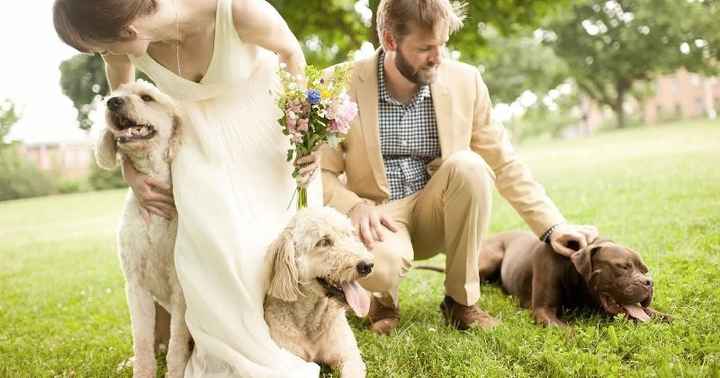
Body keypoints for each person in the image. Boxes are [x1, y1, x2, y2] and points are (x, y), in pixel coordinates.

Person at [53, 0, 321, 376]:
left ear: (128, 32)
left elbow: (291, 51)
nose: (105, 56)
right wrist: (133, 174)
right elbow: (126, 119)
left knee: (263, 250)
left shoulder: (237, 10)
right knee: (210, 240)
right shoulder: (121, 49)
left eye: (103, 47)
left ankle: (298, 336)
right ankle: (225, 347)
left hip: (263, 136)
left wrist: (306, 131)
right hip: (195, 145)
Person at [320, 0, 598, 335]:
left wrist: (553, 227)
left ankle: (461, 302)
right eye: (425, 48)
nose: (437, 58)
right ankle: (381, 301)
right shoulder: (338, 84)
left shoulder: (467, 81)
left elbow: (504, 162)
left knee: (470, 165)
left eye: (442, 45)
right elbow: (321, 172)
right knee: (379, 268)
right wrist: (354, 206)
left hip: (437, 208)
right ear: (390, 40)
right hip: (378, 218)